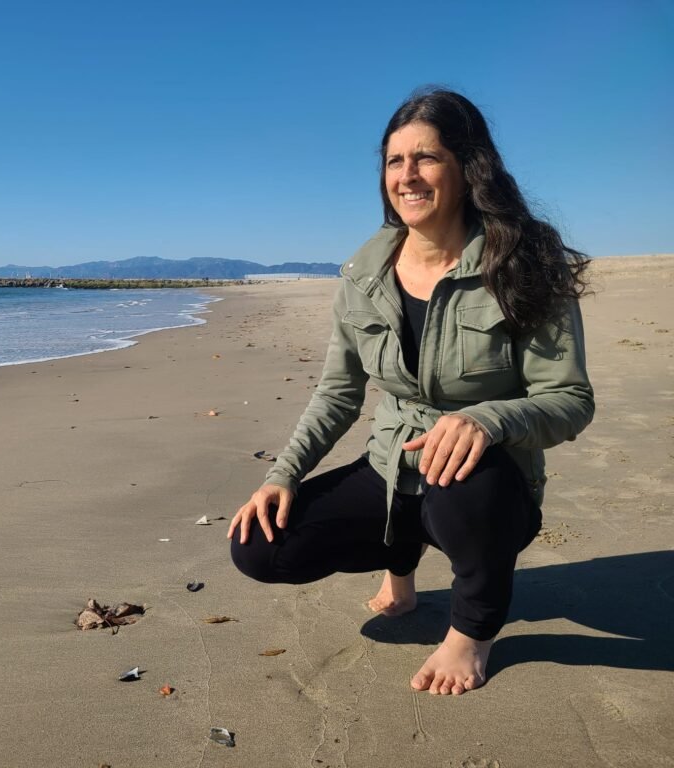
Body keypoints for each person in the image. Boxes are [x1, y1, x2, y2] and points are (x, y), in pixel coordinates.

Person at [227, 88, 593, 696]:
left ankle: (473, 632)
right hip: (393, 465)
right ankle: (403, 559)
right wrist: (281, 476)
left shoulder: (523, 263)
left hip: (486, 483)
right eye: (395, 162)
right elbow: (338, 392)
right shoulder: (363, 273)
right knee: (261, 548)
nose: (407, 176)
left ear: (467, 166)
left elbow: (570, 398)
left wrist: (488, 420)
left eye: (426, 158)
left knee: (456, 480)